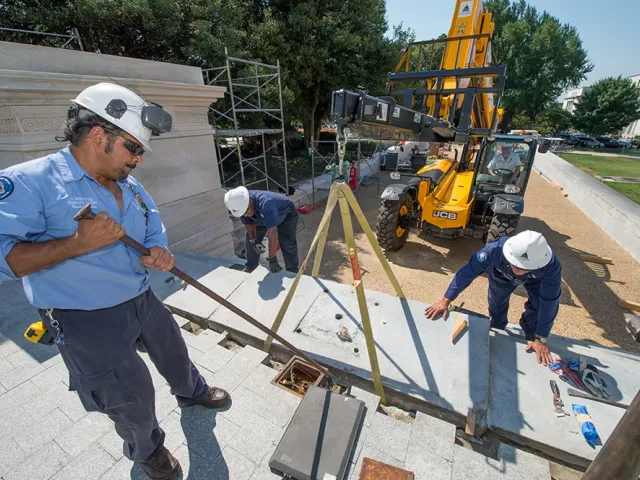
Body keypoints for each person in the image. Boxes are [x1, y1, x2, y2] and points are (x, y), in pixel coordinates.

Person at [0, 83, 231, 480]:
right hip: (86, 320)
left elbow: (153, 225)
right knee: (130, 396)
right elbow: (6, 259)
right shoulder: (29, 182)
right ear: (98, 136)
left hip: (142, 299)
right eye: (134, 148)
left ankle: (192, 394)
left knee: (175, 353)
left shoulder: (129, 185)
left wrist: (159, 250)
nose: (138, 159)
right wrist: (77, 243)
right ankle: (148, 450)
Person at [425, 231, 561, 365]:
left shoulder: (551, 266)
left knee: (538, 308)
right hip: (502, 275)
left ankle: (531, 335)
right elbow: (466, 273)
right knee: (496, 303)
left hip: (535, 279)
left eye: (523, 267)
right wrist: (445, 301)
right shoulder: (493, 250)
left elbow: (550, 302)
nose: (519, 271)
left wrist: (541, 338)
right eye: (516, 265)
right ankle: (497, 327)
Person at [224, 186, 299, 273]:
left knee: (287, 242)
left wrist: (272, 259)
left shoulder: (266, 203)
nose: (246, 215)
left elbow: (272, 232)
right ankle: (251, 266)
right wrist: (254, 241)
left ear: (250, 201)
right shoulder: (242, 206)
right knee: (249, 237)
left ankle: (292, 272)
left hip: (285, 213)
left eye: (246, 211)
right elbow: (249, 225)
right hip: (262, 215)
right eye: (243, 213)